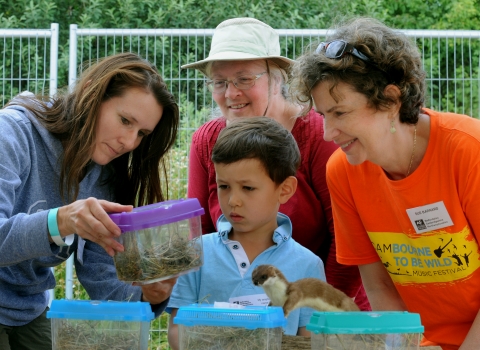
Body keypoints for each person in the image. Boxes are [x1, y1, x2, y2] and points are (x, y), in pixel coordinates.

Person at [290, 17, 480, 350]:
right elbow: (378, 286)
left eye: (340, 113)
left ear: (390, 100)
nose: (327, 133)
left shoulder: (469, 150)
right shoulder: (344, 171)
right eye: (323, 115)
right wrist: (412, 347)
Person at [184, 16, 369, 311]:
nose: (231, 93)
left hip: (321, 306)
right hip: (235, 314)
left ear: (277, 77)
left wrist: (309, 315)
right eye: (219, 82)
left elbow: (347, 240)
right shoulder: (206, 142)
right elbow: (198, 233)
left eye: (244, 79)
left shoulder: (320, 135)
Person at [0, 52, 180, 350]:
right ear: (92, 92)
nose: (129, 142)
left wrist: (148, 295)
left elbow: (100, 271)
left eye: (141, 133)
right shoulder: (12, 132)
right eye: (125, 121)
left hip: (28, 311)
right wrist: (60, 221)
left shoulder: (105, 175)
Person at [167, 117, 326, 349]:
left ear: (285, 190)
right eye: (224, 186)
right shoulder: (195, 252)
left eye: (248, 188)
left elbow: (309, 339)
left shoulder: (308, 265)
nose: (233, 201)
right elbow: (176, 327)